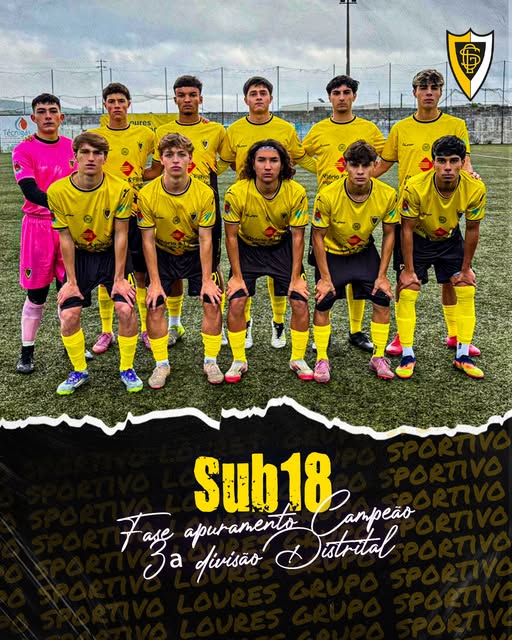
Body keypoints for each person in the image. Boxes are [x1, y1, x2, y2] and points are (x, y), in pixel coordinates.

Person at [373, 68, 480, 358]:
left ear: (441, 92)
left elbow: (465, 160)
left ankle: (455, 333)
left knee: (451, 279)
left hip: (444, 213)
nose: (429, 92)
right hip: (410, 214)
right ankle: (401, 335)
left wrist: (471, 174)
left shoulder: (455, 124)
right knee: (406, 278)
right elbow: (383, 164)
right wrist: (353, 180)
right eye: (423, 87)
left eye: (434, 87)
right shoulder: (401, 128)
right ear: (415, 92)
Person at [220, 76, 316, 351]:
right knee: (241, 288)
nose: (259, 97)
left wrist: (335, 172)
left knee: (282, 283)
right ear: (246, 99)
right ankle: (246, 325)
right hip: (247, 208)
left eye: (263, 93)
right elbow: (225, 162)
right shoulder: (234, 130)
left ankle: (278, 323)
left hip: (278, 214)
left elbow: (300, 157)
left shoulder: (285, 128)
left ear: (271, 98)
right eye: (254, 93)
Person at [48, 132, 142, 395]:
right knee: (69, 314)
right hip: (80, 256)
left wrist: (120, 278)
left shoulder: (121, 188)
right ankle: (79, 370)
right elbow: (65, 238)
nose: (91, 158)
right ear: (75, 156)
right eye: (85, 152)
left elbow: (122, 234)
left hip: (112, 255)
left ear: (105, 158)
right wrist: (71, 281)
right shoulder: (57, 191)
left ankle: (127, 368)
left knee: (125, 309)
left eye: (97, 153)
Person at [303, 74, 386, 353]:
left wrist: (370, 179)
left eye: (346, 92)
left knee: (358, 269)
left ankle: (356, 330)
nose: (341, 97)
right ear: (330, 97)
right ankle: (321, 334)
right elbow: (301, 154)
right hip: (329, 207)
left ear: (354, 97)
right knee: (325, 271)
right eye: (336, 93)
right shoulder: (319, 130)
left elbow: (387, 156)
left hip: (359, 206)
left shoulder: (368, 129)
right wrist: (320, 170)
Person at [145, 75, 229, 347]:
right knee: (171, 259)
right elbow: (156, 169)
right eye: (182, 95)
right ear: (175, 99)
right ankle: (175, 324)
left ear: (200, 98)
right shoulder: (163, 131)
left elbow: (229, 160)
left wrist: (208, 173)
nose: (187, 99)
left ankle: (218, 324)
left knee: (213, 264)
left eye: (192, 95)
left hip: (204, 202)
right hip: (170, 202)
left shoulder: (215, 130)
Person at [394, 136, 485, 380]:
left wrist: (466, 268)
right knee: (408, 289)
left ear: (462, 162)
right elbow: (406, 229)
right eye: (441, 160)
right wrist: (408, 270)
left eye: (454, 161)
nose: (447, 167)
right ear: (433, 162)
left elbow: (472, 229)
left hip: (450, 239)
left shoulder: (475, 187)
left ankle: (462, 354)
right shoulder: (415, 186)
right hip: (418, 238)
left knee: (466, 287)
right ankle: (407, 354)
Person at [223, 139, 313, 383]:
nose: (267, 166)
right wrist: (236, 276)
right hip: (247, 248)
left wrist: (296, 277)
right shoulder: (237, 192)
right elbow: (230, 236)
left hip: (281, 248)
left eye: (274, 160)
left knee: (300, 300)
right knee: (236, 300)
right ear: (252, 164)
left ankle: (298, 358)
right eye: (261, 160)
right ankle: (238, 360)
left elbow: (298, 237)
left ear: (282, 164)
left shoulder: (296, 192)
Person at [138, 133, 223, 388]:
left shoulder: (205, 192)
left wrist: (207, 280)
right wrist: (154, 282)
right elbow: (147, 241)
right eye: (169, 155)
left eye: (181, 155)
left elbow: (206, 239)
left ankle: (211, 361)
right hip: (163, 253)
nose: (175, 160)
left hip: (196, 253)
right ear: (161, 159)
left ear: (190, 159)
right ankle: (161, 364)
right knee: (154, 304)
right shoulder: (147, 193)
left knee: (212, 300)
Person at [311, 140, 398, 383]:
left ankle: (378, 356)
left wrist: (382, 275)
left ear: (375, 166)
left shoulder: (387, 194)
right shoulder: (327, 195)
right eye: (354, 165)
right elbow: (317, 237)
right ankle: (322, 358)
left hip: (362, 251)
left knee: (382, 297)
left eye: (366, 165)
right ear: (344, 166)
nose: (360, 171)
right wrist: (325, 278)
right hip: (331, 252)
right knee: (323, 301)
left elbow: (390, 233)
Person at [12, 93, 76, 374]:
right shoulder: (23, 150)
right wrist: (67, 203)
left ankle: (71, 345)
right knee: (37, 294)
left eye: (52, 110)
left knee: (68, 291)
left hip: (67, 227)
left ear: (62, 117)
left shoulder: (73, 147)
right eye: (41, 111)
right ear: (33, 118)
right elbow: (30, 191)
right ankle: (27, 352)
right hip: (38, 228)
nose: (47, 115)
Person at [88, 83, 155, 354]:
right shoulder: (94, 136)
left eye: (121, 101)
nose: (116, 105)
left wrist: (136, 178)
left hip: (137, 212)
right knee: (108, 274)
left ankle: (145, 329)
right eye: (111, 101)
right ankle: (107, 331)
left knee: (141, 273)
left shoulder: (145, 134)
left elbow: (158, 166)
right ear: (104, 104)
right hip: (106, 215)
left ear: (129, 103)